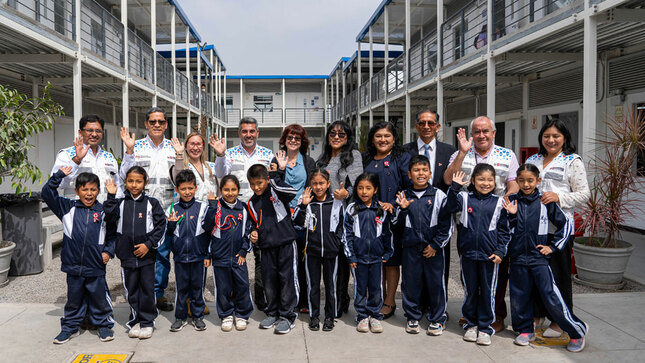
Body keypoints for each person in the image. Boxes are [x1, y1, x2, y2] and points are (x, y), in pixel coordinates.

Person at [444, 115, 519, 331]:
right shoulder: (462, 152)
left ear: (493, 133)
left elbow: (513, 183)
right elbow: (449, 179)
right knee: (469, 271)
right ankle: (471, 314)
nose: (481, 135)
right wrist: (462, 152)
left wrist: (504, 202)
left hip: (495, 219)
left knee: (496, 271)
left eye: (485, 131)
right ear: (471, 134)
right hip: (467, 220)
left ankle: (495, 315)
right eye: (477, 131)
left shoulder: (507, 155)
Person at [503, 164, 588, 352]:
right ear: (516, 181)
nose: (526, 184)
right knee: (519, 296)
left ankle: (577, 331)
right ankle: (525, 330)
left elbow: (565, 225)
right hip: (517, 259)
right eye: (522, 180)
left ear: (538, 181)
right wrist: (512, 216)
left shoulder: (545, 202)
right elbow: (505, 229)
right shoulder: (512, 202)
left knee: (551, 295)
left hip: (538, 259)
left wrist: (553, 246)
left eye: (530, 180)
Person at [526, 119, 590, 337]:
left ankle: (560, 320)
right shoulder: (533, 159)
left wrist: (559, 196)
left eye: (556, 136)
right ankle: (537, 314)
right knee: (535, 274)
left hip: (559, 230)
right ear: (541, 138)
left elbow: (584, 194)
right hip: (535, 227)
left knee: (558, 276)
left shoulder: (572, 161)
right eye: (546, 136)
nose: (550, 140)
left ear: (564, 138)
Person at [42, 167, 116, 344]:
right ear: (77, 191)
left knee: (99, 298)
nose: (89, 193)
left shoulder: (104, 211)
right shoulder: (67, 208)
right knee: (74, 300)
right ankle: (69, 328)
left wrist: (108, 252)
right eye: (84, 189)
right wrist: (59, 175)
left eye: (93, 189)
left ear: (98, 191)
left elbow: (113, 235)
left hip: (96, 265)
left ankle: (103, 325)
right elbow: (46, 193)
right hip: (73, 265)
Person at [211, 117, 274, 312]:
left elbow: (271, 182)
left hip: (259, 213)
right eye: (244, 131)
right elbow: (220, 175)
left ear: (257, 133)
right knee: (233, 258)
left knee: (261, 257)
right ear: (239, 133)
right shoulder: (228, 153)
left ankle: (261, 300)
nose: (248, 135)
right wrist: (220, 155)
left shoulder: (267, 154)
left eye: (252, 131)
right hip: (234, 212)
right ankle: (232, 302)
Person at [120, 107, 177, 312]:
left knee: (162, 253)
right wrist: (128, 150)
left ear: (166, 125)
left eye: (161, 122)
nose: (157, 125)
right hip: (141, 209)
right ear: (146, 124)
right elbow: (124, 175)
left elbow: (181, 177)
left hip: (167, 208)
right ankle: (142, 295)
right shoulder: (136, 146)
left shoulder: (173, 147)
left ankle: (158, 294)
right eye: (152, 121)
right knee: (142, 253)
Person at [446, 167, 511, 346]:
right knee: (470, 291)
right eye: (481, 179)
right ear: (473, 180)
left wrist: (500, 252)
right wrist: (454, 187)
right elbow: (449, 206)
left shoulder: (499, 203)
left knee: (488, 292)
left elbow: (505, 232)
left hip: (490, 257)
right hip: (468, 255)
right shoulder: (464, 197)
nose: (485, 183)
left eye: (489, 180)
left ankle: (485, 327)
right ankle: (470, 324)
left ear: (495, 182)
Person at [403, 109, 457, 318]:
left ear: (437, 126)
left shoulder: (448, 150)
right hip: (413, 213)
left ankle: (437, 310)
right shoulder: (406, 151)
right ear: (416, 126)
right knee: (413, 271)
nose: (426, 126)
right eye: (422, 123)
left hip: (438, 217)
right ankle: (416, 310)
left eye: (431, 123)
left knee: (437, 269)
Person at [104, 166, 167, 340]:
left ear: (145, 182)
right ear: (125, 182)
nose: (134, 185)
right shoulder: (120, 202)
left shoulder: (152, 203)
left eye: (138, 181)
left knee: (147, 289)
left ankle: (147, 322)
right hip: (127, 256)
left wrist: (148, 244)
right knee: (131, 289)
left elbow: (161, 226)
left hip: (147, 256)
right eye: (130, 181)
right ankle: (135, 320)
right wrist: (110, 196)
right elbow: (109, 218)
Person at [392, 155, 452, 336]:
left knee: (436, 284)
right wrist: (402, 209)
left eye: (424, 170)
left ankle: (437, 318)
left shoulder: (439, 195)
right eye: (416, 170)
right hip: (410, 248)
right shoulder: (403, 195)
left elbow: (447, 225)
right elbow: (395, 224)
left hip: (433, 250)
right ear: (409, 174)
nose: (420, 173)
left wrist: (435, 245)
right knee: (411, 284)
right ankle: (412, 317)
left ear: (430, 173)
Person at [363, 121, 411, 320]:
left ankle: (389, 301)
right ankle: (375, 298)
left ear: (394, 139)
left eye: (387, 136)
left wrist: (394, 204)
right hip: (369, 218)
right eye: (378, 136)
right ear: (372, 139)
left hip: (393, 218)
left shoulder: (402, 158)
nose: (382, 140)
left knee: (390, 261)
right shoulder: (366, 158)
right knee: (374, 261)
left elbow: (410, 186)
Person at [316, 120, 363, 316]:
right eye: (333, 134)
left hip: (344, 215)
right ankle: (333, 300)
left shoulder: (353, 155)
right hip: (325, 216)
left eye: (341, 134)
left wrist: (347, 193)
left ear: (347, 137)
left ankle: (341, 302)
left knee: (343, 261)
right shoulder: (323, 157)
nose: (336, 137)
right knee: (330, 260)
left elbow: (360, 183)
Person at [247, 164, 299, 334]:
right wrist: (253, 232)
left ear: (267, 180)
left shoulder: (277, 191)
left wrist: (275, 175)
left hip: (285, 243)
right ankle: (273, 312)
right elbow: (254, 223)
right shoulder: (252, 202)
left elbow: (291, 192)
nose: (256, 187)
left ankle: (287, 316)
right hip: (266, 246)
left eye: (260, 183)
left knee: (286, 280)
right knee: (269, 281)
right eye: (252, 184)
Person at [270, 124, 316, 313]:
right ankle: (285, 300)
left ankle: (303, 300)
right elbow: (273, 183)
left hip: (302, 215)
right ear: (284, 140)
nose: (293, 141)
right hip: (281, 217)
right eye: (290, 137)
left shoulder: (308, 161)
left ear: (302, 141)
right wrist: (280, 169)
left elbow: (313, 186)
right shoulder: (276, 159)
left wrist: (304, 205)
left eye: (297, 138)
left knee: (303, 260)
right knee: (284, 262)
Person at [292, 168, 345, 332]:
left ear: (328, 184)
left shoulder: (335, 202)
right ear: (310, 185)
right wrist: (303, 205)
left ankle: (330, 316)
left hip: (331, 251)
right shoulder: (307, 202)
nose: (318, 186)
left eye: (321, 183)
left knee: (331, 285)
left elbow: (342, 225)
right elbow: (298, 222)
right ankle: (314, 316)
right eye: (314, 183)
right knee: (313, 285)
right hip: (312, 251)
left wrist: (336, 243)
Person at [166, 170, 218, 333]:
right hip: (180, 257)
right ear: (177, 189)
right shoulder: (172, 209)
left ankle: (197, 316)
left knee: (197, 288)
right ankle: (180, 317)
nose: (187, 192)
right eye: (183, 189)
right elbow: (167, 234)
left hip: (199, 257)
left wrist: (212, 206)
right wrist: (172, 224)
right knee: (181, 289)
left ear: (195, 188)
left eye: (190, 188)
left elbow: (210, 229)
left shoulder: (202, 207)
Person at [343, 173, 393, 334]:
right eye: (360, 188)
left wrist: (387, 253)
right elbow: (346, 234)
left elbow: (387, 233)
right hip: (358, 259)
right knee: (360, 287)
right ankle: (362, 316)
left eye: (368, 188)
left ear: (375, 189)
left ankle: (374, 315)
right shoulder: (352, 209)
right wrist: (351, 256)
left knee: (376, 287)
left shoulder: (381, 209)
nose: (364, 192)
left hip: (377, 258)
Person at [209, 175, 254, 332]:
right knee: (223, 288)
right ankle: (226, 314)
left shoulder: (243, 208)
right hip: (220, 257)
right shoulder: (216, 207)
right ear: (221, 190)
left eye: (233, 189)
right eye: (226, 190)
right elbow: (207, 228)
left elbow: (248, 231)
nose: (230, 193)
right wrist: (212, 205)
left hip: (238, 257)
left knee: (242, 285)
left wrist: (243, 250)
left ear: (238, 190)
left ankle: (242, 314)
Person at [51, 114, 122, 202]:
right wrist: (76, 161)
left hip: (104, 210)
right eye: (89, 130)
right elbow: (59, 183)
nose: (94, 134)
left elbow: (118, 185)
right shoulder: (67, 154)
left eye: (98, 131)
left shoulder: (108, 157)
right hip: (76, 209)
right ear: (80, 132)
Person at [171, 132, 219, 202]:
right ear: (186, 147)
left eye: (199, 144)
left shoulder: (212, 166)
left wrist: (220, 154)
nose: (195, 148)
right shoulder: (181, 166)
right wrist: (179, 154)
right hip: (190, 210)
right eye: (192, 144)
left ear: (203, 147)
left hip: (211, 209)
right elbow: (178, 178)